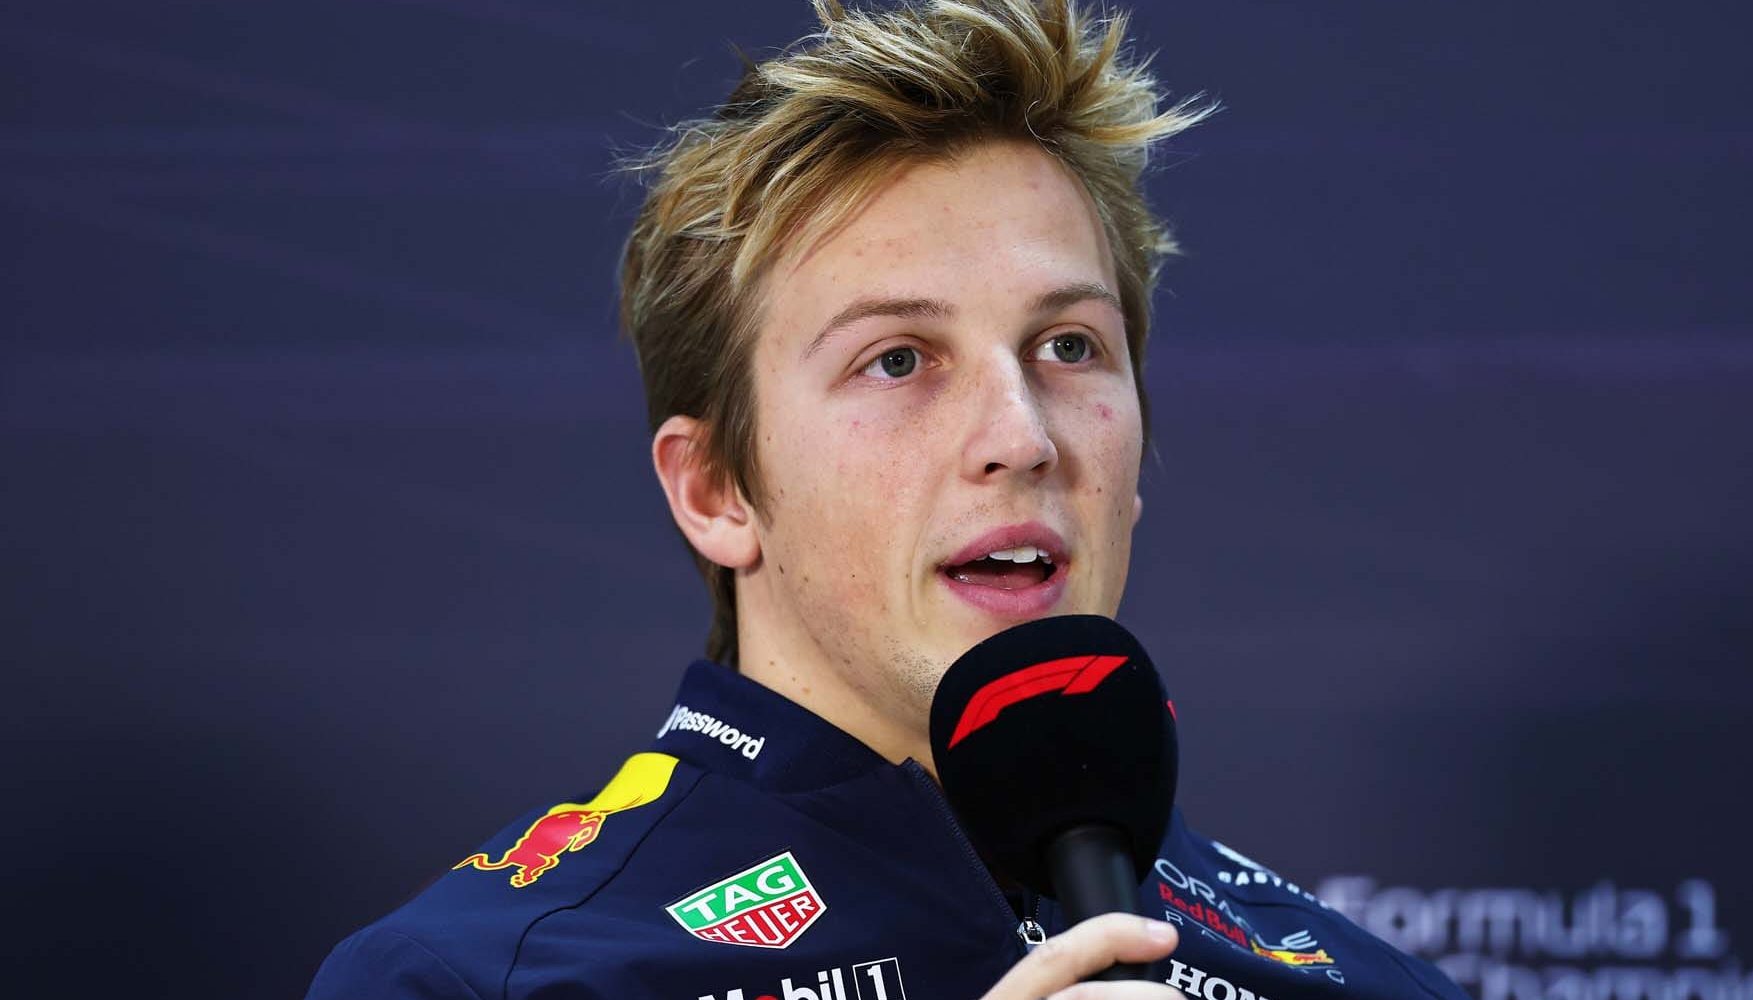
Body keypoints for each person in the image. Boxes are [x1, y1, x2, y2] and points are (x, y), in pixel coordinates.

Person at [308, 2, 1470, 998]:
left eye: (1068, 345)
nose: (1023, 438)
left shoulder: (1359, 977)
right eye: (899, 360)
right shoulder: (493, 977)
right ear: (716, 488)